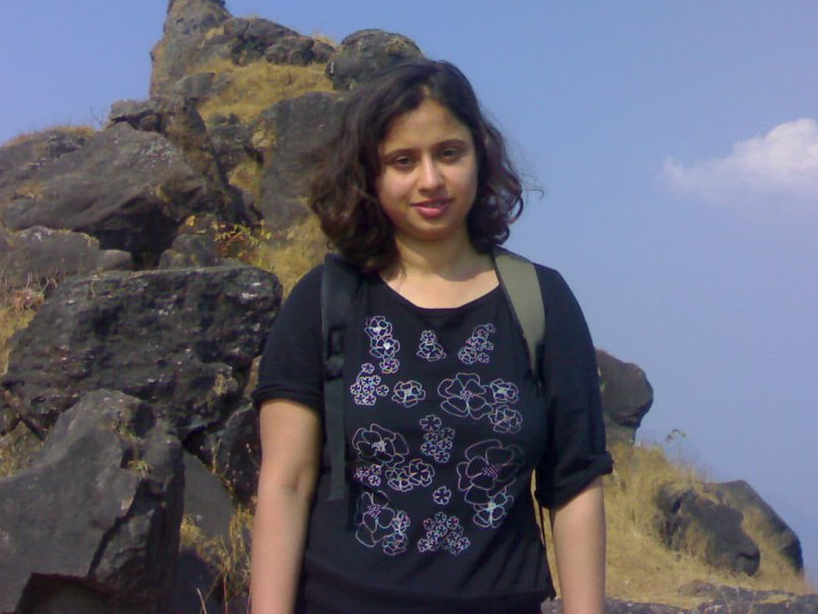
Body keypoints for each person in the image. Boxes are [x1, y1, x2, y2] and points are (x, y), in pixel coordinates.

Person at [250, 60, 612, 614]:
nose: (430, 180)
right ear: (371, 175)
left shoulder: (542, 302)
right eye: (402, 161)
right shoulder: (325, 300)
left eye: (449, 153)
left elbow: (575, 486)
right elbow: (286, 483)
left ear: (479, 155)